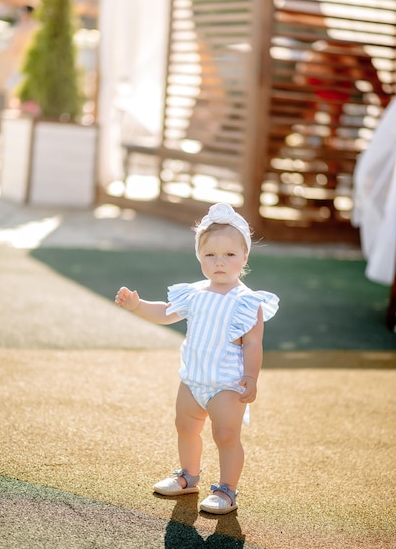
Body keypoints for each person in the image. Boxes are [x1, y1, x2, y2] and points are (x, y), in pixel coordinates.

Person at [115, 203, 279, 514]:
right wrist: (137, 305)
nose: (220, 262)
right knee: (185, 427)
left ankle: (227, 490)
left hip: (227, 383)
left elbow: (253, 343)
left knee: (226, 434)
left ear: (244, 257)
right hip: (193, 379)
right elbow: (165, 312)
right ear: (199, 257)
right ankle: (188, 476)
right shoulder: (193, 293)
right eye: (210, 255)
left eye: (229, 255)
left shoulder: (247, 302)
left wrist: (252, 377)